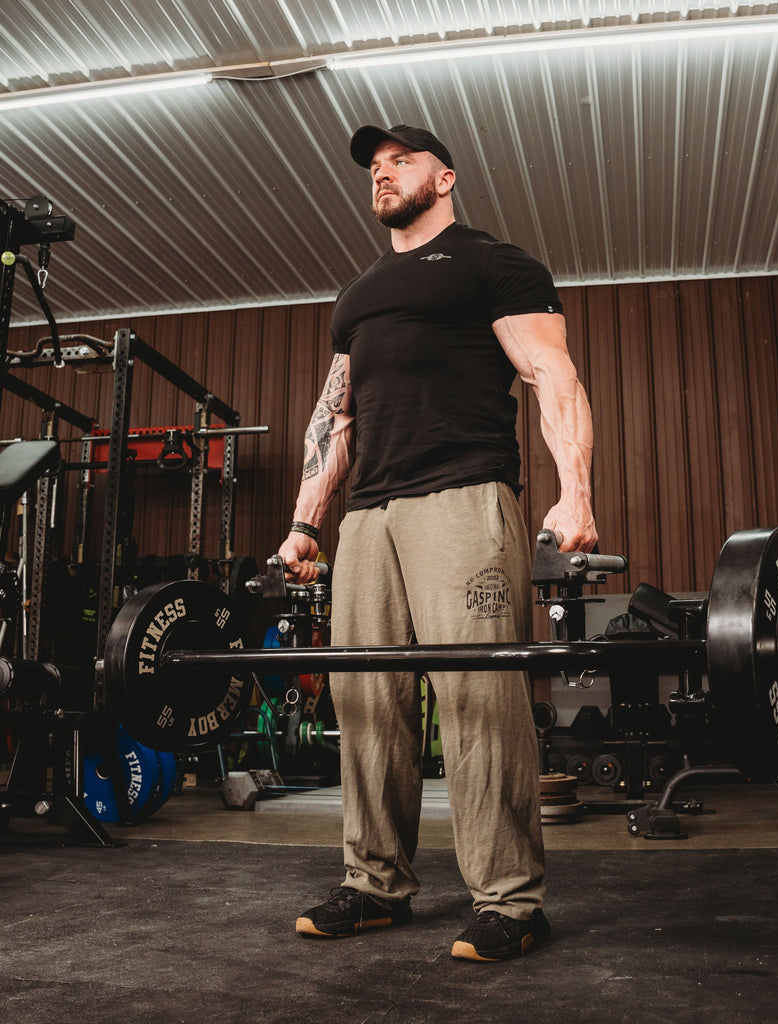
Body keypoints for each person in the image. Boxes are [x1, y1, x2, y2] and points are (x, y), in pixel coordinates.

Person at [277, 123, 597, 962]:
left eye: (401, 161)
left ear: (445, 177)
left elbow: (551, 372)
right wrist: (306, 522)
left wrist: (576, 493)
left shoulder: (493, 263)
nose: (383, 175)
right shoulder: (357, 295)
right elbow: (336, 416)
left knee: (478, 698)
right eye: (375, 167)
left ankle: (511, 900)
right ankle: (374, 884)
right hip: (367, 518)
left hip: (461, 495)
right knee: (364, 699)